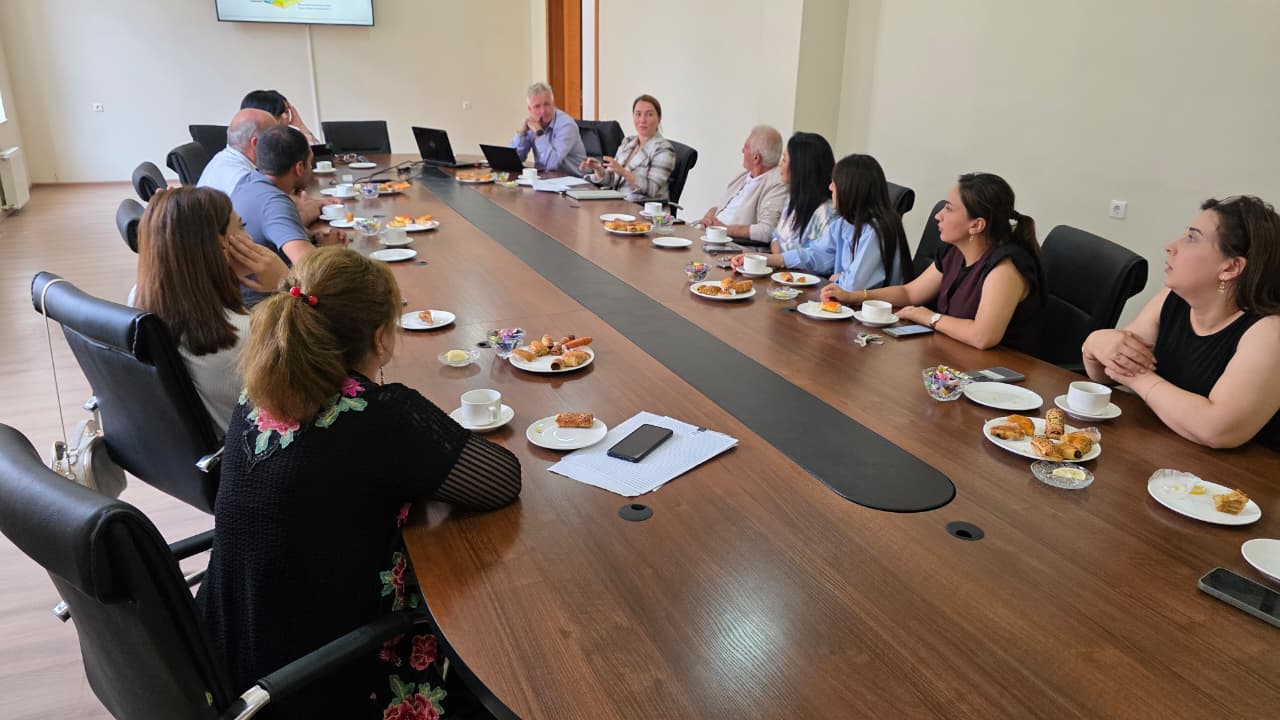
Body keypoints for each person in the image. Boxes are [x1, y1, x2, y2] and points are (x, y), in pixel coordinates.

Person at [197, 247, 521, 719]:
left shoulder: (257, 394)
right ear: (381, 338)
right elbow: (501, 479)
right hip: (322, 688)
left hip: (231, 662)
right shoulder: (380, 415)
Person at [1082, 196, 1280, 449]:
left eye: (1192, 238)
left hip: (1236, 471)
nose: (1170, 246)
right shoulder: (1173, 298)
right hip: (1163, 449)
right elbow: (1110, 373)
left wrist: (1139, 378)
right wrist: (1094, 345)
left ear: (1231, 268)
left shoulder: (1269, 331)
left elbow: (1218, 430)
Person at [823, 172, 1044, 351]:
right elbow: (910, 293)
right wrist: (853, 296)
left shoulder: (1005, 268)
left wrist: (930, 317)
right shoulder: (953, 252)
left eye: (949, 208)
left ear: (976, 225)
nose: (939, 215)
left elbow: (982, 336)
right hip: (952, 357)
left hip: (1000, 374)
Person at [132, 186, 288, 433]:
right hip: (253, 447)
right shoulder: (244, 335)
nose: (250, 239)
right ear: (220, 245)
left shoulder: (140, 299)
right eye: (242, 227)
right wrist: (288, 286)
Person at [230, 125, 343, 306]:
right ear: (299, 167)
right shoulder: (274, 203)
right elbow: (313, 270)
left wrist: (314, 239)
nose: (311, 168)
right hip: (264, 305)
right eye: (310, 162)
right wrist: (331, 251)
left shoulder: (248, 182)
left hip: (239, 297)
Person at [730, 132, 837, 275]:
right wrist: (776, 259)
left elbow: (820, 259)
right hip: (780, 276)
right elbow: (776, 235)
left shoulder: (828, 213)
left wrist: (774, 260)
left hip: (805, 282)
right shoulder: (793, 201)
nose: (780, 165)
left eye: (784, 160)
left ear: (800, 168)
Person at [698, 126, 788, 245]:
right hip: (711, 237)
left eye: (746, 147)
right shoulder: (743, 177)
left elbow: (767, 230)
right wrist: (710, 216)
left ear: (756, 158)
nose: (742, 150)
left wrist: (724, 229)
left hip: (733, 245)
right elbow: (722, 208)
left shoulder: (777, 184)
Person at [579, 94, 675, 201]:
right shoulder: (628, 142)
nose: (642, 120)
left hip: (642, 208)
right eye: (638, 114)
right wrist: (598, 169)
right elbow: (613, 180)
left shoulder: (664, 149)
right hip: (619, 204)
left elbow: (651, 189)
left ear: (659, 118)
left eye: (649, 114)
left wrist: (623, 172)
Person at [510, 81, 587, 175]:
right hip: (547, 178)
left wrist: (539, 132)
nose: (543, 111)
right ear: (530, 109)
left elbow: (551, 164)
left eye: (546, 104)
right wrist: (522, 132)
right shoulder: (533, 123)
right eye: (537, 106)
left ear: (553, 104)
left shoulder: (567, 125)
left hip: (575, 180)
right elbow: (513, 161)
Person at [197, 108, 277, 195]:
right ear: (256, 143)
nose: (279, 146)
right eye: (275, 141)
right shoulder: (246, 181)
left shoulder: (221, 158)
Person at [241, 88, 319, 145]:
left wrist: (300, 125)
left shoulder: (286, 136)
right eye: (279, 112)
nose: (285, 116)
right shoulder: (267, 143)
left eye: (286, 111)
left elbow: (318, 154)